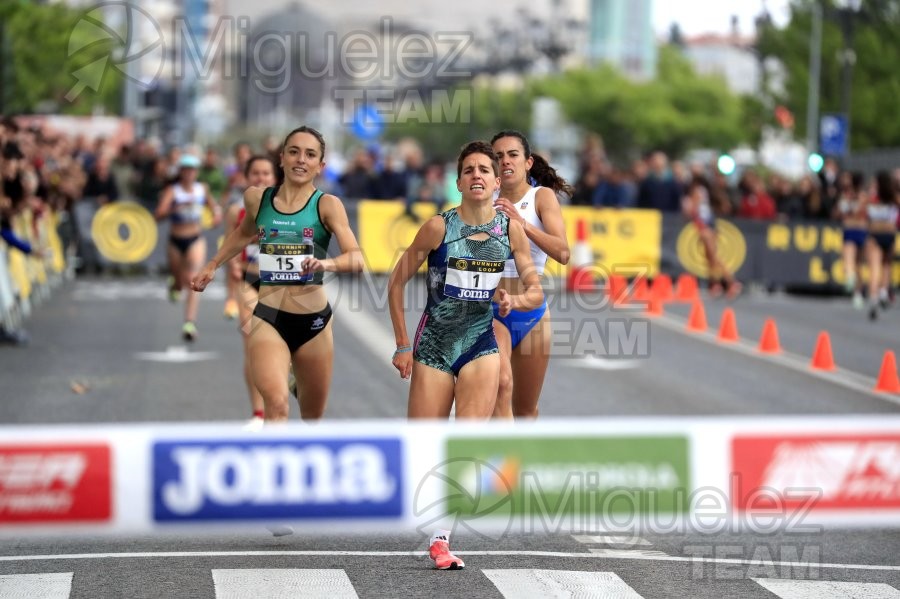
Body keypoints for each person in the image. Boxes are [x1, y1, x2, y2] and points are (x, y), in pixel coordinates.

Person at [192, 126, 363, 422]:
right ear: (281, 158)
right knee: (277, 405)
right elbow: (242, 234)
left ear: (320, 166)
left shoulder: (327, 205)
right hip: (268, 317)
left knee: (312, 417)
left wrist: (326, 265)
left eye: (310, 155)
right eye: (294, 152)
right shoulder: (257, 199)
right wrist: (212, 265)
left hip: (314, 323)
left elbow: (356, 258)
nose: (301, 160)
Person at [389, 140, 543, 420]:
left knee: (467, 444)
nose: (476, 175)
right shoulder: (438, 227)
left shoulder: (511, 231)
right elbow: (396, 283)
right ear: (458, 183)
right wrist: (402, 344)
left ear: (496, 181)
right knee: (426, 447)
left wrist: (514, 300)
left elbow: (536, 292)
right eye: (469, 170)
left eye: (484, 170)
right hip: (434, 346)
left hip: (480, 344)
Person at [489, 130, 571, 420]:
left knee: (525, 409)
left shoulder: (541, 197)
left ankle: (521, 463)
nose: (505, 161)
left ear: (527, 162)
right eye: (498, 157)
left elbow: (562, 253)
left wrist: (521, 223)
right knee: (500, 386)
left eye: (513, 155)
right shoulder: (485, 197)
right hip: (491, 310)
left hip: (532, 312)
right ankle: (495, 460)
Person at [223, 155, 277, 430]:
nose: (261, 178)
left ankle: (276, 406)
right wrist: (231, 275)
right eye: (255, 173)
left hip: (280, 285)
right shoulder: (236, 211)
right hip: (248, 279)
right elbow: (229, 244)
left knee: (279, 347)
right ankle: (258, 413)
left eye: (266, 173)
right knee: (252, 345)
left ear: (275, 177)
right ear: (246, 178)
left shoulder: (287, 208)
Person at [154, 153, 221, 341]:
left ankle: (189, 323)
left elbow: (213, 206)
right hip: (176, 240)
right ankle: (173, 284)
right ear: (181, 172)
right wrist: (175, 207)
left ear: (196, 173)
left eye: (192, 170)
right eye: (186, 170)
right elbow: (158, 215)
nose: (189, 174)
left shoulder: (202, 189)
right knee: (178, 280)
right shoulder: (173, 191)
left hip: (195, 239)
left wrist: (216, 215)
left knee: (192, 279)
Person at [682, 176, 742, 299]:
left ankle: (731, 281)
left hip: (705, 226)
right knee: (710, 257)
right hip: (706, 225)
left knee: (713, 257)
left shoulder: (697, 192)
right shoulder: (703, 192)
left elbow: (694, 211)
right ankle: (716, 284)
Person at [221, 142, 252, 320]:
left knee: (248, 258)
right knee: (230, 255)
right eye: (239, 155)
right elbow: (225, 196)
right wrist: (222, 207)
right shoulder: (233, 177)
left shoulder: (256, 174)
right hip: (235, 218)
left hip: (251, 220)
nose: (243, 158)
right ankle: (231, 297)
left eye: (245, 154)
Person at [865, 171, 899, 321]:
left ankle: (874, 298)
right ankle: (884, 291)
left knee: (875, 267)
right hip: (889, 233)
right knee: (886, 265)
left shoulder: (872, 199)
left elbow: (863, 213)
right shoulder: (894, 199)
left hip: (876, 234)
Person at [833, 171, 868, 308]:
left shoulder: (861, 196)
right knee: (849, 258)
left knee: (857, 262)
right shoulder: (844, 196)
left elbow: (860, 211)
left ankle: (857, 290)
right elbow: (837, 213)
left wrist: (849, 204)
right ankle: (851, 282)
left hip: (859, 230)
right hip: (849, 229)